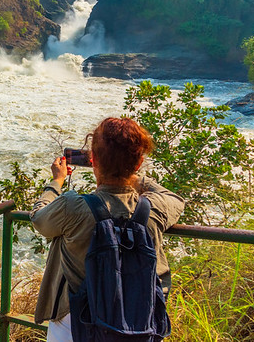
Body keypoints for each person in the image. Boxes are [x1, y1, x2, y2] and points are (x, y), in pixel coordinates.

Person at [30, 117, 185, 342]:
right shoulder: (152, 208)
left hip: (75, 321)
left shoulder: (74, 206)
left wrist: (56, 182)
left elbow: (39, 218)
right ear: (138, 163)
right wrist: (132, 174)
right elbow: (175, 199)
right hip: (139, 323)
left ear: (93, 161)